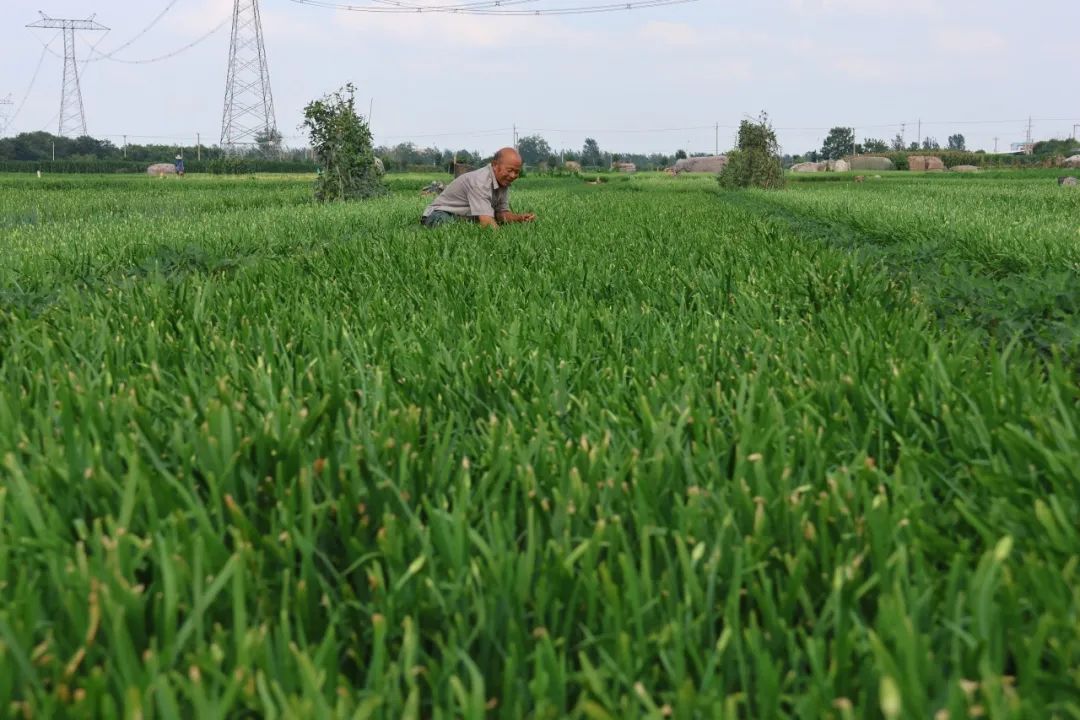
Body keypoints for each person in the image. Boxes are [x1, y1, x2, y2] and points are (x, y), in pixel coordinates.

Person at [421, 147, 535, 228]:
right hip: (440, 214)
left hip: (463, 217)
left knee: (471, 225)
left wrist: (519, 218)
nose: (513, 176)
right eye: (510, 170)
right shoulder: (480, 182)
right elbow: (487, 223)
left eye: (517, 172)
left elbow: (501, 214)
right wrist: (506, 243)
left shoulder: (502, 182)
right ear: (495, 165)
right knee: (453, 231)